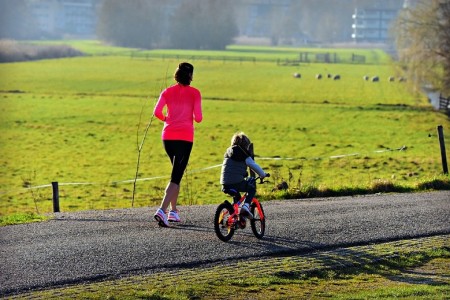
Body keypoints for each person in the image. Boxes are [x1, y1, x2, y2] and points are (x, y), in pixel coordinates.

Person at [153, 62, 203, 227]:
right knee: (176, 176)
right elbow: (199, 117)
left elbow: (157, 112)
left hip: (167, 137)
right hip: (185, 137)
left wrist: (167, 119)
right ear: (190, 76)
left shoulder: (167, 92)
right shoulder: (195, 93)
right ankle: (162, 209)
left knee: (177, 173)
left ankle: (173, 212)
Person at [220, 132, 268, 218]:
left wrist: (244, 173)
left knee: (237, 198)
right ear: (246, 145)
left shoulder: (229, 152)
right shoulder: (244, 154)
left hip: (224, 183)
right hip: (236, 182)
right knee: (251, 189)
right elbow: (254, 166)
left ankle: (233, 215)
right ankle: (245, 207)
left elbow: (233, 168)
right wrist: (262, 174)